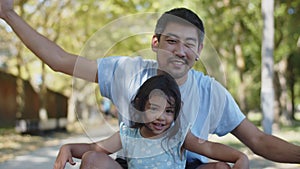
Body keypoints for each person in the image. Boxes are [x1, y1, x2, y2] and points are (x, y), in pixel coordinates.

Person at [0, 0, 300, 168]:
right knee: (93, 161)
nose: (180, 51)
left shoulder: (211, 91)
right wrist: (9, 13)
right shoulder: (127, 71)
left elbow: (258, 141)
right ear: (155, 42)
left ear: (199, 51)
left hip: (185, 167)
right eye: (171, 41)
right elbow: (60, 61)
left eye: (190, 45)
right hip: (135, 163)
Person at [54, 73, 249, 169]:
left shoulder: (178, 135)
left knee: (221, 168)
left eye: (169, 111)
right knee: (91, 159)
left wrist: (240, 157)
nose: (161, 117)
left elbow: (210, 149)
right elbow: (95, 148)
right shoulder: (128, 134)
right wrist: (69, 148)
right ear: (140, 106)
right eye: (154, 108)